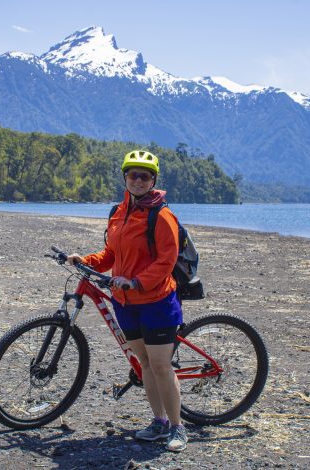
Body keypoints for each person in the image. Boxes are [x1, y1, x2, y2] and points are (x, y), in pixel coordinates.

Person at [67, 150, 188, 452]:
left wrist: (137, 281)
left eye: (144, 176)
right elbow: (112, 255)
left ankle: (177, 427)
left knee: (161, 366)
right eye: (132, 174)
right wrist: (87, 260)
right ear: (124, 177)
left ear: (153, 180)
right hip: (125, 302)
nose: (137, 180)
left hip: (156, 301)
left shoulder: (162, 216)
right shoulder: (119, 212)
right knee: (144, 362)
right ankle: (159, 422)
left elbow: (166, 260)